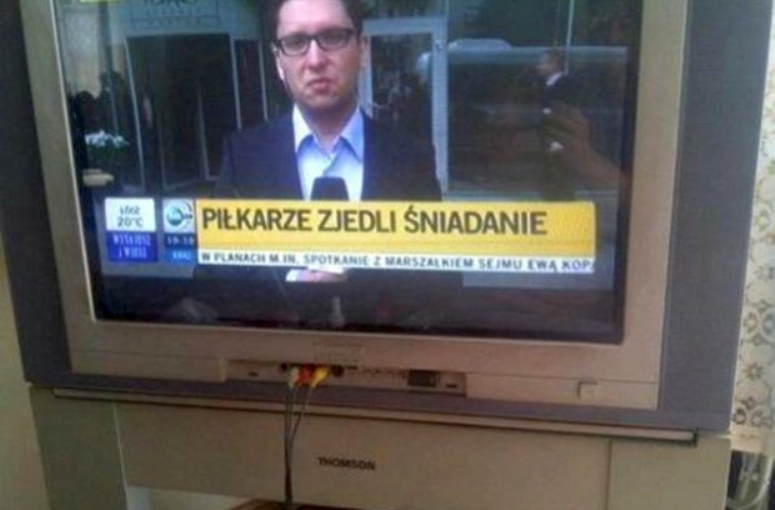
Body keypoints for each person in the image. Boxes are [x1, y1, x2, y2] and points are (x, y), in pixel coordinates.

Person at [192, 0, 450, 329]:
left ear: (363, 50)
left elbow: (437, 282)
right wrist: (295, 279)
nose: (315, 60)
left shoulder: (410, 157)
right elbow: (213, 276)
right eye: (296, 42)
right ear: (278, 61)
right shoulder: (243, 156)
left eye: (332, 37)